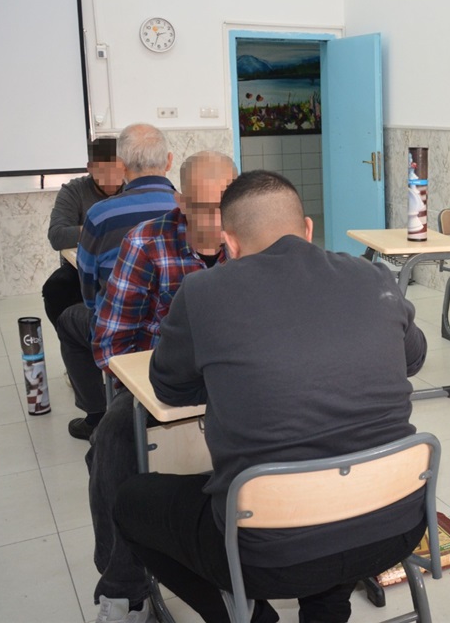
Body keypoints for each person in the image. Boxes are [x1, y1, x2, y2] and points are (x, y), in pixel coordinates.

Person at [114, 171, 428, 623]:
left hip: (268, 558)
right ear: (307, 229)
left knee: (130, 503)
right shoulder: (373, 275)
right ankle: (327, 609)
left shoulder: (203, 293)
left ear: (229, 243)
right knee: (338, 463)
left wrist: (233, 380)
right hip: (396, 526)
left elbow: (169, 387)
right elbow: (412, 358)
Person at [84, 152, 237, 623]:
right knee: (113, 439)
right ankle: (124, 588)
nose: (216, 221)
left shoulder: (251, 234)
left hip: (236, 376)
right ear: (180, 202)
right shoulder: (146, 242)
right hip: (156, 380)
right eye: (203, 207)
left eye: (225, 205)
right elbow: (110, 343)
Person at [57, 124, 177, 440]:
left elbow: (89, 292)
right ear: (168, 161)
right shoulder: (189, 208)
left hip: (127, 338)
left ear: (121, 166)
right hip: (183, 334)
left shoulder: (101, 215)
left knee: (69, 319)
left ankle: (96, 415)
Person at [42, 138, 125, 328]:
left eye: (117, 171)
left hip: (128, 263)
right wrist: (99, 226)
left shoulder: (133, 188)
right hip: (84, 267)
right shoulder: (74, 190)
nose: (111, 179)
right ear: (90, 168)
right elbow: (57, 236)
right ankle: (71, 336)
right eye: (103, 172)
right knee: (55, 289)